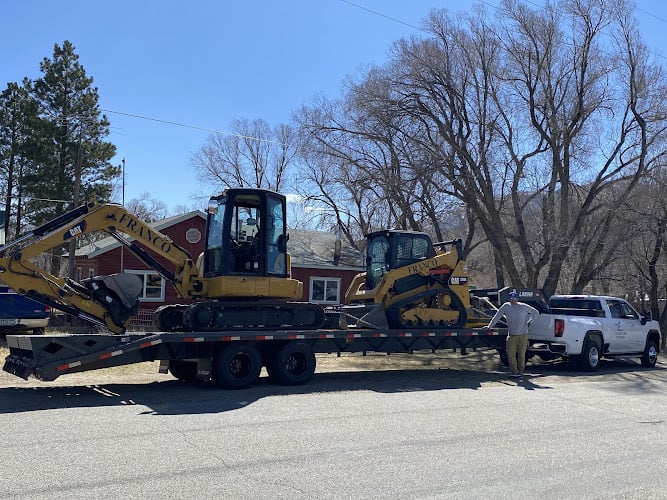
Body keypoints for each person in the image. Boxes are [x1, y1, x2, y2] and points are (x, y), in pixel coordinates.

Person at [488, 290, 539, 378]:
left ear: (517, 299)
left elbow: (536, 312)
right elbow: (497, 316)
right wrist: (490, 326)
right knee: (510, 353)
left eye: (515, 298)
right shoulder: (506, 306)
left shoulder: (523, 306)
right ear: (509, 299)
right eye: (511, 298)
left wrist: (530, 322)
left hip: (523, 334)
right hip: (512, 335)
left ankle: (521, 371)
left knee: (521, 353)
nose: (513, 300)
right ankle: (514, 371)